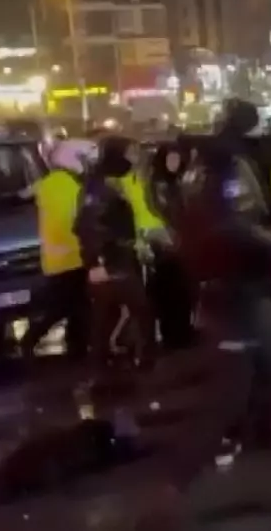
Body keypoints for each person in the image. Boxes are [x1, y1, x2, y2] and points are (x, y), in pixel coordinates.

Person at [139, 99, 271, 530]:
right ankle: (168, 492)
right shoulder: (225, 167)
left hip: (231, 293)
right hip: (238, 298)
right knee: (230, 400)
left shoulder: (200, 168)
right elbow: (230, 226)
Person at [75, 137, 158, 370]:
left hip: (119, 257)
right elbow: (87, 227)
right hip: (112, 261)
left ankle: (104, 362)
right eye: (130, 152)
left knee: (109, 314)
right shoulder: (100, 187)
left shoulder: (110, 183)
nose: (134, 158)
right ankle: (142, 360)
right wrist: (96, 262)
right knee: (138, 311)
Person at [23, 139, 97, 359]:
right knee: (64, 307)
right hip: (68, 258)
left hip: (64, 258)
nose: (88, 165)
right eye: (85, 160)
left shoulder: (54, 183)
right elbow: (73, 221)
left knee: (78, 307)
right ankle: (32, 339)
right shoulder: (64, 186)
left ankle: (77, 346)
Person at [146, 142, 196, 350]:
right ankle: (173, 334)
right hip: (167, 244)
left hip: (181, 241)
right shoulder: (158, 184)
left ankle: (183, 329)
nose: (174, 163)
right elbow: (160, 211)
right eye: (170, 159)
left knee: (183, 289)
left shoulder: (176, 181)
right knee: (170, 290)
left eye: (177, 158)